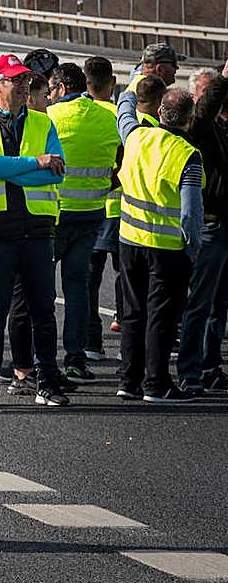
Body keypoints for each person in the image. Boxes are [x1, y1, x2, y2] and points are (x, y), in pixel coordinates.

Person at [0, 54, 68, 409]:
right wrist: (34, 163)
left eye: (26, 79)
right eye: (16, 80)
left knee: (43, 311)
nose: (24, 85)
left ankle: (47, 382)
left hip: (38, 229)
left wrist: (7, 169)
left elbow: (56, 172)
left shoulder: (43, 122)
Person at [115, 86, 203, 403]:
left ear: (159, 112)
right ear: (190, 118)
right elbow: (191, 212)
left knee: (133, 313)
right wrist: (193, 248)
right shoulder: (188, 155)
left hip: (129, 240)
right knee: (161, 318)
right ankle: (156, 384)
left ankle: (129, 380)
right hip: (167, 248)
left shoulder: (136, 137)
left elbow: (124, 114)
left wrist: (131, 87)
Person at [46, 61, 121, 381]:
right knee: (78, 288)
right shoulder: (108, 116)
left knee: (41, 290)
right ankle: (76, 359)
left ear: (62, 88)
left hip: (53, 215)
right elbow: (121, 162)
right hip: (92, 212)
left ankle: (40, 360)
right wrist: (104, 185)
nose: (48, 95)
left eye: (51, 89)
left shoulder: (48, 117)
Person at [175, 62, 228, 393]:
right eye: (207, 92)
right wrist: (223, 79)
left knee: (218, 306)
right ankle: (190, 370)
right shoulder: (197, 127)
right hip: (209, 226)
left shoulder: (222, 127)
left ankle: (210, 367)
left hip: (224, 225)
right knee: (200, 303)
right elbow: (207, 111)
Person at [83, 56, 125, 362]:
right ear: (112, 83)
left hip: (89, 208)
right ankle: (127, 339)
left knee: (88, 280)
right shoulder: (120, 116)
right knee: (128, 277)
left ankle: (91, 342)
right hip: (122, 210)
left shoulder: (80, 114)